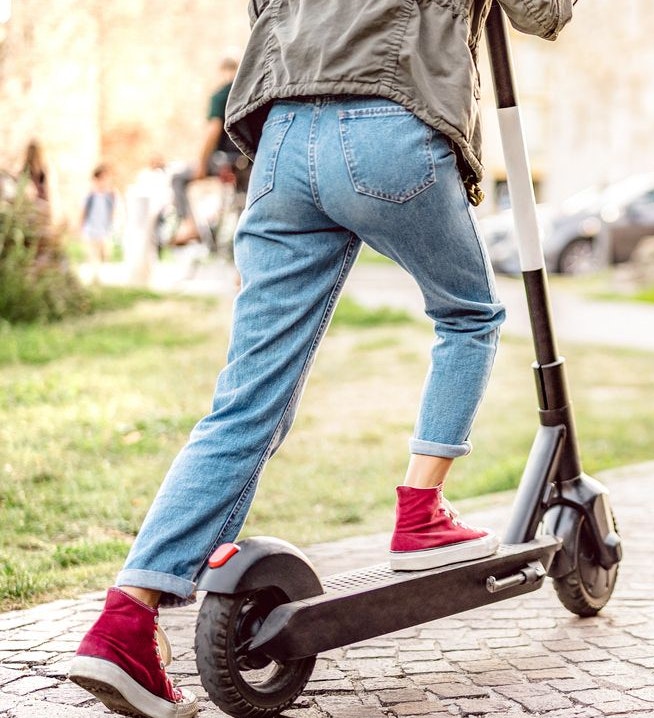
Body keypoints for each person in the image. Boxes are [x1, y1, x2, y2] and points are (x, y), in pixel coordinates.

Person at [67, 2, 574, 717]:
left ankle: (125, 619)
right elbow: (543, 13)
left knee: (247, 399)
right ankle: (421, 511)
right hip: (389, 123)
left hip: (280, 138)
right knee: (468, 314)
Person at [169, 57, 249, 247]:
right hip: (249, 161)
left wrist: (202, 164)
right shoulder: (247, 92)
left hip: (224, 161)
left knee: (178, 178)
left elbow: (213, 130)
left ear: (222, 72)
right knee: (244, 209)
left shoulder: (221, 96)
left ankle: (189, 225)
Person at [81, 164, 118, 273]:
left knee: (105, 253)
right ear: (95, 179)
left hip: (105, 228)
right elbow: (83, 211)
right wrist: (81, 226)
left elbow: (114, 211)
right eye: (101, 178)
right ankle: (95, 275)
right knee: (93, 254)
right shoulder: (90, 194)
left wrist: (113, 224)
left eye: (106, 178)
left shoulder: (111, 194)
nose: (103, 181)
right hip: (91, 228)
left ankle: (103, 273)